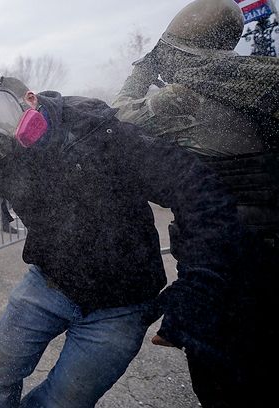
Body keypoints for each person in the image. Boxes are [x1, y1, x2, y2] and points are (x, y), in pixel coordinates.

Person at [0, 76, 240, 407]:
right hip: (48, 284)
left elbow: (196, 187)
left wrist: (198, 281)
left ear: (31, 100)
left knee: (63, 399)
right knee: (0, 359)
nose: (4, 131)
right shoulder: (6, 158)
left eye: (4, 113)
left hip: (121, 307)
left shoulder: (104, 135)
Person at [112, 0, 278, 406]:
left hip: (221, 257)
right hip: (268, 246)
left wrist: (143, 68)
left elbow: (115, 119)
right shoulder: (262, 80)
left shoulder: (184, 97)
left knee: (221, 378)